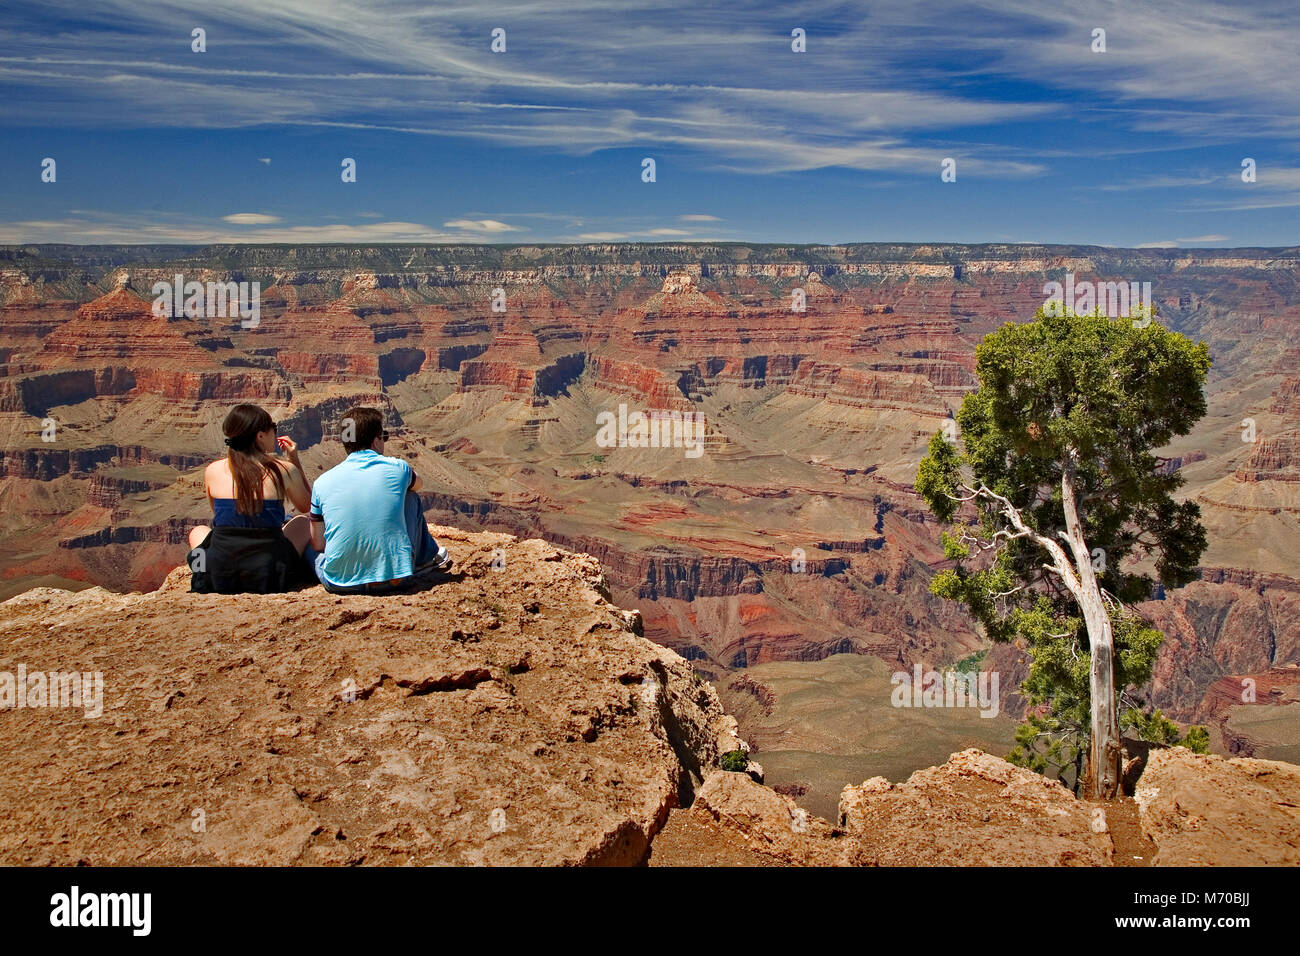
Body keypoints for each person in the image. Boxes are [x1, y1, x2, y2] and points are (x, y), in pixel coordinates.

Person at [307, 406, 451, 594]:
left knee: (310, 551)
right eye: (383, 436)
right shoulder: (398, 468)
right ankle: (425, 558)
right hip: (396, 580)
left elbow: (319, 544)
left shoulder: (321, 482)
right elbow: (418, 485)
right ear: (375, 441)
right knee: (410, 497)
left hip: (340, 584)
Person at [187, 403, 315, 593]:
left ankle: (202, 573)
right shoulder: (283, 470)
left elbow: (220, 518)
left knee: (198, 531)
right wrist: (293, 460)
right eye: (274, 428)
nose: (275, 432)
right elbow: (307, 506)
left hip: (221, 570)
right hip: (267, 570)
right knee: (303, 522)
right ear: (260, 436)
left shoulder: (213, 470)